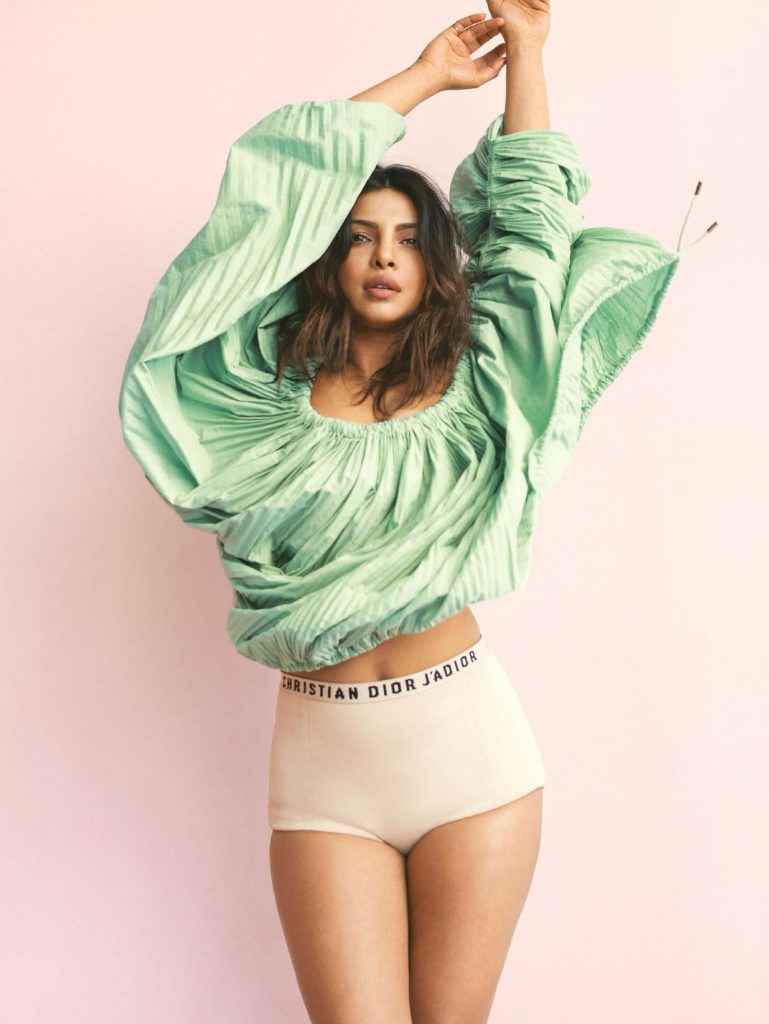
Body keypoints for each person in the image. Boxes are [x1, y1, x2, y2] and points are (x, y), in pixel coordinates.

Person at [118, 3, 714, 1020]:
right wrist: (426, 74)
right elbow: (267, 199)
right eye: (358, 238)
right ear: (327, 259)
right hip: (324, 767)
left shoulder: (482, 391)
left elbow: (531, 228)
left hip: (467, 753)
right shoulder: (250, 406)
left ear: (435, 265)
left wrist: (527, 54)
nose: (383, 256)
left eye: (406, 240)